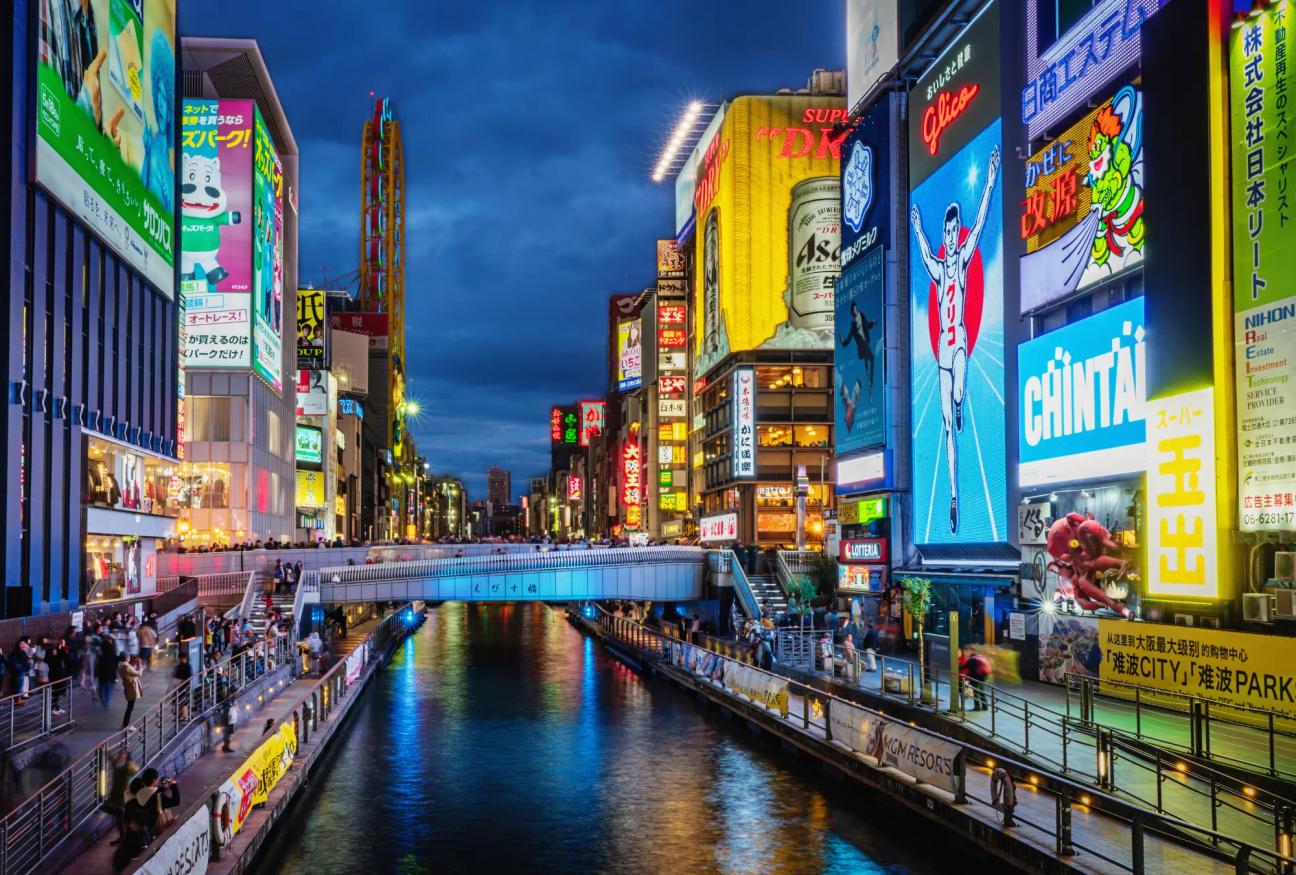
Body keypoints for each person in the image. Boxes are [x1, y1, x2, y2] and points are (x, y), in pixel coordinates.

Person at [910, 144, 1000, 534]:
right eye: (946, 232)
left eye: (952, 230)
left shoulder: (961, 261)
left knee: (959, 394)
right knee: (947, 428)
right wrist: (918, 227)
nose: (949, 236)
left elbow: (979, 225)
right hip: (942, 355)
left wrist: (990, 181)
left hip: (958, 342)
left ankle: (961, 403)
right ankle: (952, 496)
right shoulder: (937, 267)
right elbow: (924, 253)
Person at [105, 749, 140, 845]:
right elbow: (111, 759)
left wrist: (129, 762)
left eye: (123, 754)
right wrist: (104, 750)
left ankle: (126, 837)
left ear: (127, 756)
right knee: (119, 817)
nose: (120, 755)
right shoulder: (117, 763)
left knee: (122, 817)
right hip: (115, 794)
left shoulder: (127, 766)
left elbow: (135, 769)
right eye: (120, 754)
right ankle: (124, 836)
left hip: (122, 795)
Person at [119, 655, 142, 728]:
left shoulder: (122, 666)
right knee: (130, 707)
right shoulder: (126, 666)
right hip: (132, 688)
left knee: (130, 707)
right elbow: (138, 673)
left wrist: (135, 665)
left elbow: (132, 672)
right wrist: (140, 665)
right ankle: (125, 725)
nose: (130, 658)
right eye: (128, 657)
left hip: (128, 687)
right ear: (126, 658)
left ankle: (125, 724)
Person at [209, 791, 232, 861]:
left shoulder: (223, 810)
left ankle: (216, 855)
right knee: (216, 838)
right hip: (220, 826)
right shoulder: (225, 809)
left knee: (215, 839)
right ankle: (216, 854)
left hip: (219, 826)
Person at [96, 639, 119, 709]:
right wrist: (115, 678)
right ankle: (106, 702)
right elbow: (115, 667)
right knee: (108, 691)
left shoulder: (101, 656)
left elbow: (98, 667)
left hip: (102, 677)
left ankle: (104, 701)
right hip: (110, 677)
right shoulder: (114, 656)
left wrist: (96, 674)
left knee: (101, 690)